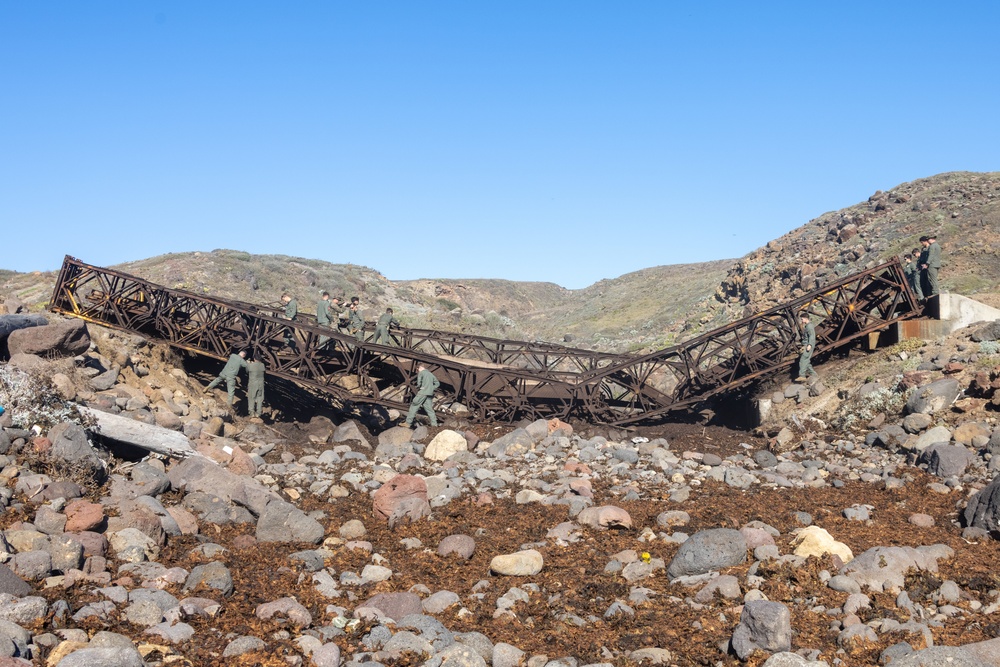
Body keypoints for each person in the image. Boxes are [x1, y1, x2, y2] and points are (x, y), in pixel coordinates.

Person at [404, 363, 439, 428]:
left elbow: (419, 383)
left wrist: (418, 387)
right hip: (429, 394)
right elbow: (437, 383)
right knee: (430, 410)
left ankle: (408, 423)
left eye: (417, 370)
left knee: (414, 405)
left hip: (422, 392)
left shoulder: (421, 373)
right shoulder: (430, 374)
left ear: (419, 368)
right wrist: (431, 388)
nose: (418, 371)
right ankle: (434, 425)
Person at [795, 313, 818, 383]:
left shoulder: (809, 326)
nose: (801, 320)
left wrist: (810, 345)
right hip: (806, 345)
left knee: (803, 360)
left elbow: (812, 336)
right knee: (806, 361)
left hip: (808, 345)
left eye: (802, 319)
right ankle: (814, 374)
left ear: (805, 318)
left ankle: (802, 376)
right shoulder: (807, 326)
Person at [246, 353, 266, 418]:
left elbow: (247, 371)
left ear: (254, 359)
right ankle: (258, 413)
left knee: (251, 397)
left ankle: (251, 413)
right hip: (261, 384)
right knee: (260, 398)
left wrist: (248, 363)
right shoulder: (262, 365)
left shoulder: (250, 365)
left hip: (253, 383)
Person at [923, 233, 942, 298]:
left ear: (931, 239)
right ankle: (935, 291)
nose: (927, 241)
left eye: (928, 240)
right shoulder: (937, 245)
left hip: (932, 265)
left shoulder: (932, 246)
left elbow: (931, 255)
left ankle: (935, 292)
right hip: (937, 264)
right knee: (934, 278)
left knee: (932, 279)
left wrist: (927, 263)